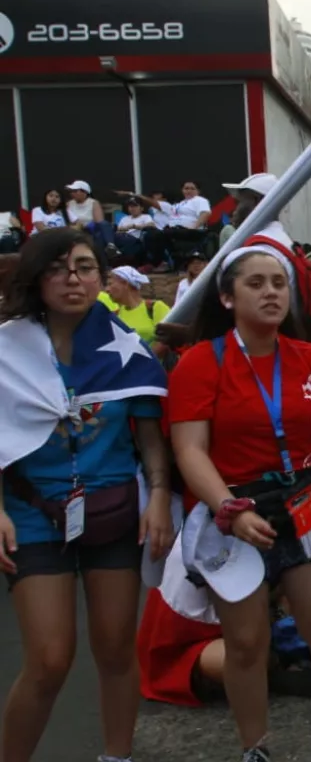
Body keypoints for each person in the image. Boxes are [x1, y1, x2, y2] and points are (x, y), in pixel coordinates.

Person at [169, 243, 311, 762]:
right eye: (255, 283)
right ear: (226, 297)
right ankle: (254, 747)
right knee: (245, 643)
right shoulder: (199, 363)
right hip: (235, 509)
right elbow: (189, 451)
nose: (270, 293)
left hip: (305, 500)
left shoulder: (309, 360)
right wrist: (227, 509)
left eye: (278, 284)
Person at [0, 228, 172, 762]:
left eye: (85, 267)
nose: (72, 279)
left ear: (101, 277)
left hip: (114, 510)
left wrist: (161, 497)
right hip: (31, 514)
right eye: (57, 268)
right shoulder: (6, 348)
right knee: (50, 658)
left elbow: (149, 439)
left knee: (117, 648)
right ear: (36, 276)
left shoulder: (128, 349)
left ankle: (116, 757)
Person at [102, 266, 168, 345]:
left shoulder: (155, 308)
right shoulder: (116, 315)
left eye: (110, 284)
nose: (107, 290)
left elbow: (166, 340)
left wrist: (148, 357)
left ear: (125, 283)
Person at [65, 181, 111, 250]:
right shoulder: (69, 204)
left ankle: (110, 247)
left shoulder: (93, 203)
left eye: (75, 191)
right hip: (74, 231)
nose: (72, 193)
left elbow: (99, 221)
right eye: (72, 191)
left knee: (101, 232)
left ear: (85, 192)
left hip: (91, 230)